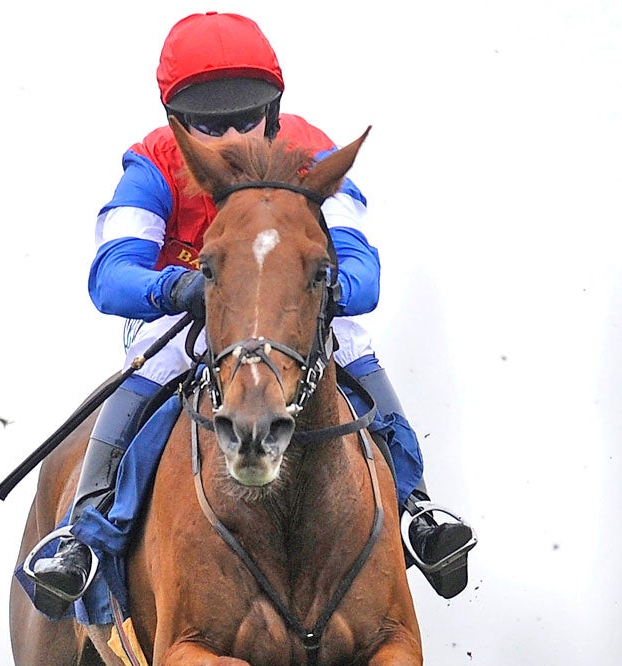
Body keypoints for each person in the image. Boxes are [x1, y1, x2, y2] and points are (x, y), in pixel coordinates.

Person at [28, 11, 475, 615]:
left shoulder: (312, 153)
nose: (232, 138)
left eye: (246, 119)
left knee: (353, 348)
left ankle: (417, 510)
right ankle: (85, 536)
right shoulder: (152, 163)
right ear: (176, 121)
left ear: (274, 110)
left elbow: (362, 272)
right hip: (192, 312)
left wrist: (313, 291)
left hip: (295, 311)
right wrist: (179, 288)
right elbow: (110, 276)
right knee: (148, 374)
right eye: (209, 125)